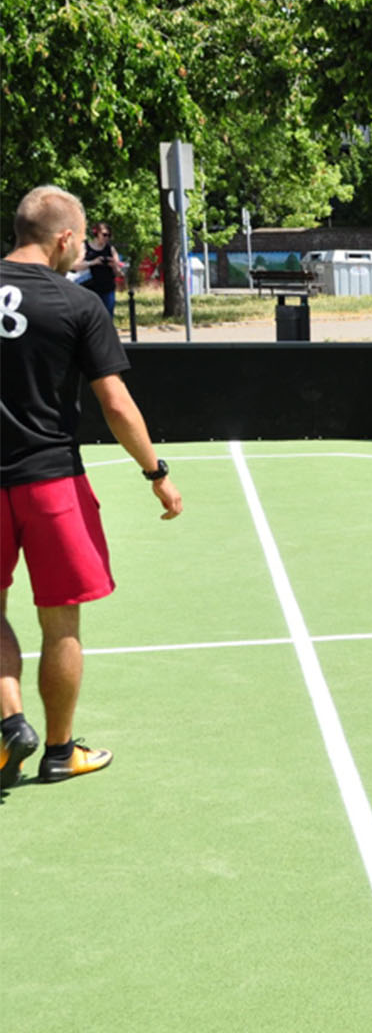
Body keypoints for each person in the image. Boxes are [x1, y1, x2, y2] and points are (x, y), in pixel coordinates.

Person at [1, 185, 183, 791]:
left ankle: (9, 726)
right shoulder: (78, 306)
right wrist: (157, 474)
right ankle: (58, 752)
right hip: (51, 484)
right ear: (63, 238)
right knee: (61, 626)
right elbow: (115, 403)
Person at [79, 221, 126, 320]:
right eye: (104, 235)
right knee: (91, 317)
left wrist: (114, 265)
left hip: (107, 288)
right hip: (90, 288)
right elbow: (75, 265)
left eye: (109, 235)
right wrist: (93, 262)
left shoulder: (110, 249)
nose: (106, 238)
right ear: (96, 233)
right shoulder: (85, 247)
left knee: (108, 317)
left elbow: (118, 273)